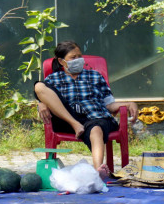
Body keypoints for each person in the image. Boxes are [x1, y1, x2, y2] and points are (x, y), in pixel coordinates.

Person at [34, 40, 138, 178]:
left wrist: (128, 103)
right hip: (68, 120)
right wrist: (41, 103)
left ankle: (98, 171)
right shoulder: (53, 79)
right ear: (61, 61)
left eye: (79, 56)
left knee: (96, 129)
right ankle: (74, 123)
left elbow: (109, 105)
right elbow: (43, 93)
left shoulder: (95, 76)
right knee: (38, 86)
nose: (78, 60)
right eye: (73, 57)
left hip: (96, 117)